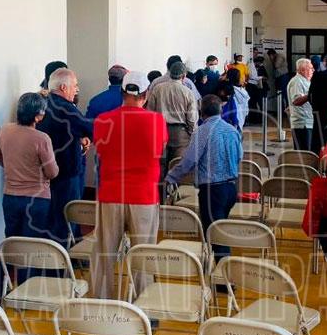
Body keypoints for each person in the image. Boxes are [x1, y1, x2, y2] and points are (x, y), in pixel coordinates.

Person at [92, 71, 168, 299]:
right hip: (144, 195)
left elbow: (100, 151)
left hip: (111, 193)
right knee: (143, 255)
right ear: (146, 94)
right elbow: (160, 149)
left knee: (104, 253)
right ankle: (143, 302)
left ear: (122, 92)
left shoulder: (103, 120)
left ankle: (100, 303)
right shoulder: (156, 121)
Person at [166, 95, 242, 259]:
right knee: (220, 231)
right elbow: (239, 156)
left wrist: (171, 177)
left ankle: (223, 272)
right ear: (221, 111)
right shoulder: (232, 130)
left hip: (212, 190)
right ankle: (222, 269)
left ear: (202, 112)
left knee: (215, 237)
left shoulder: (202, 132)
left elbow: (189, 161)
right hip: (231, 188)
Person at [37, 68, 94, 245]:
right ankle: (65, 255)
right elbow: (90, 128)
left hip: (43, 172)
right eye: (74, 85)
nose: (77, 89)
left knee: (50, 219)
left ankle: (51, 253)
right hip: (66, 172)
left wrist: (80, 137)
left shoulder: (42, 103)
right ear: (63, 87)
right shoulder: (67, 108)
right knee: (67, 218)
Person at [0, 93, 59, 238]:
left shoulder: (4, 130)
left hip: (10, 196)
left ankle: (10, 256)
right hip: (37, 198)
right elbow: (52, 172)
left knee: (12, 239)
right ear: (38, 116)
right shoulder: (42, 138)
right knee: (32, 242)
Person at [147, 61, 199, 178]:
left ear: (170, 73)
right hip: (180, 134)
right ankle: (173, 188)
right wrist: (191, 133)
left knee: (160, 165)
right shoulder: (188, 92)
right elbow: (191, 118)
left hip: (160, 131)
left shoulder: (157, 89)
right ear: (184, 76)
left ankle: (160, 188)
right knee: (177, 166)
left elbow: (150, 112)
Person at [288, 57, 316, 153]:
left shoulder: (305, 80)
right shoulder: (297, 81)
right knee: (304, 153)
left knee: (308, 151)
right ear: (303, 70)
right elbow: (296, 101)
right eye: (311, 68)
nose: (313, 70)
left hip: (307, 121)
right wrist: (312, 95)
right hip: (302, 123)